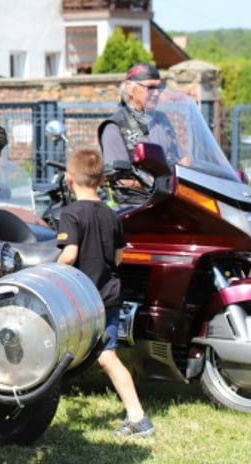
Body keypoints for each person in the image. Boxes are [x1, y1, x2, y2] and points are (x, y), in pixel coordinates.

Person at [55, 148, 153, 437]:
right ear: (101, 182)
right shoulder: (112, 215)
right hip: (107, 295)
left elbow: (70, 254)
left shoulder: (71, 214)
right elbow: (119, 256)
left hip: (80, 299)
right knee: (106, 355)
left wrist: (52, 268)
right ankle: (136, 414)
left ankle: (138, 417)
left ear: (69, 179)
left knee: (68, 350)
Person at [98, 61, 189, 175]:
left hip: (170, 191)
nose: (156, 93)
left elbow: (181, 159)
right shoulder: (114, 126)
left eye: (160, 87)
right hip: (138, 193)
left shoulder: (161, 120)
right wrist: (157, 184)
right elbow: (119, 178)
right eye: (150, 87)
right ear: (129, 88)